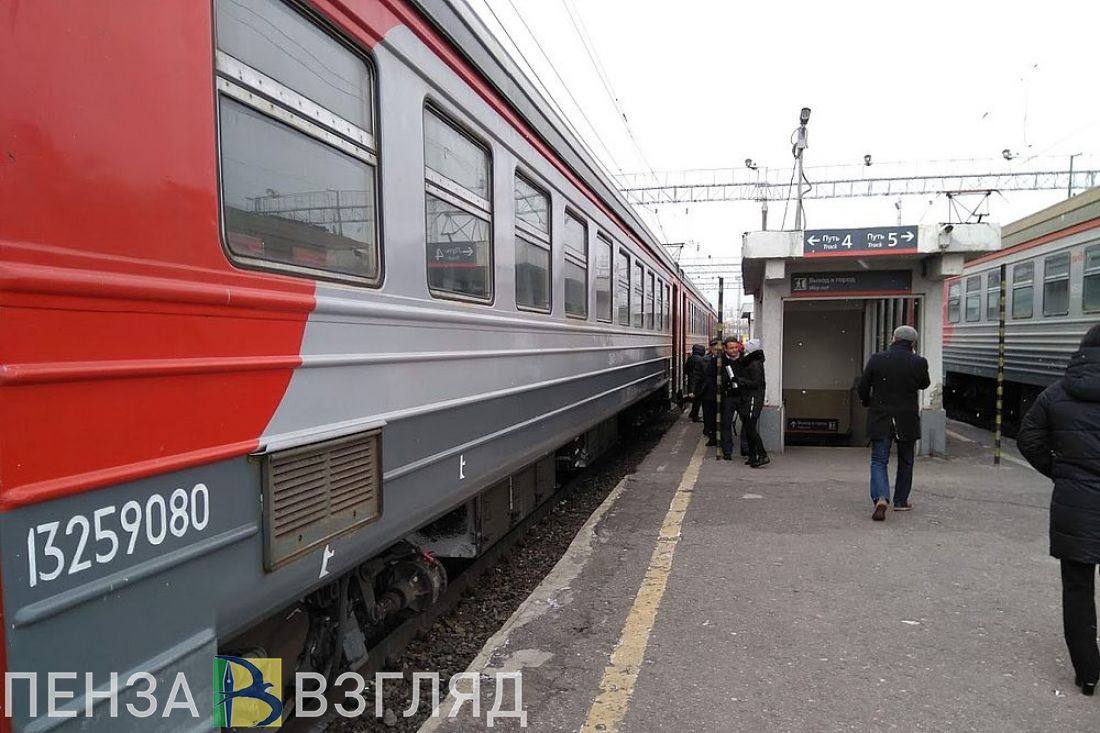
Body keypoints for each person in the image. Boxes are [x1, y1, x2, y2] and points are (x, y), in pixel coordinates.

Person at [1017, 323, 1100, 697]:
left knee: (1078, 588)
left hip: (1075, 502)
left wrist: (1061, 472)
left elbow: (1029, 439)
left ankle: (1087, 673)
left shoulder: (1056, 393)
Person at [857, 325, 930, 521]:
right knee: (906, 460)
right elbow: (924, 384)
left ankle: (881, 497)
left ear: (893, 339)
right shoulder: (919, 362)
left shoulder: (877, 359)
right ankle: (900, 501)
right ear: (913, 343)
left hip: (881, 416)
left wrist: (866, 401)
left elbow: (863, 385)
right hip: (907, 418)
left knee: (879, 460)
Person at [734, 338, 769, 468]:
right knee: (749, 429)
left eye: (747, 345)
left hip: (752, 399)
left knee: (750, 429)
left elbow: (755, 383)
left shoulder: (754, 364)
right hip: (750, 399)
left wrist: (739, 380)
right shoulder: (754, 361)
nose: (744, 347)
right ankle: (753, 456)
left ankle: (763, 455)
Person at [718, 337, 743, 460]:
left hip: (742, 396)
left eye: (736, 347)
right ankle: (727, 451)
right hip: (728, 397)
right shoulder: (720, 361)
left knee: (747, 423)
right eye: (731, 348)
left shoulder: (743, 359)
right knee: (726, 423)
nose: (734, 350)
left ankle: (746, 449)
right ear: (725, 349)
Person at [699, 339, 721, 446]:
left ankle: (717, 437)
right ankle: (711, 435)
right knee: (708, 415)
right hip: (707, 392)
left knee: (719, 416)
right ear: (711, 349)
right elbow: (698, 375)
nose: (717, 351)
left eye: (719, 349)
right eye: (715, 349)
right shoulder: (704, 360)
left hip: (720, 392)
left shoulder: (723, 360)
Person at [684, 344, 706, 421]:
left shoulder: (691, 358)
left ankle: (692, 414)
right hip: (698, 382)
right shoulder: (700, 360)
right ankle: (694, 416)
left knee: (695, 399)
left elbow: (685, 369)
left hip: (692, 380)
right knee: (697, 400)